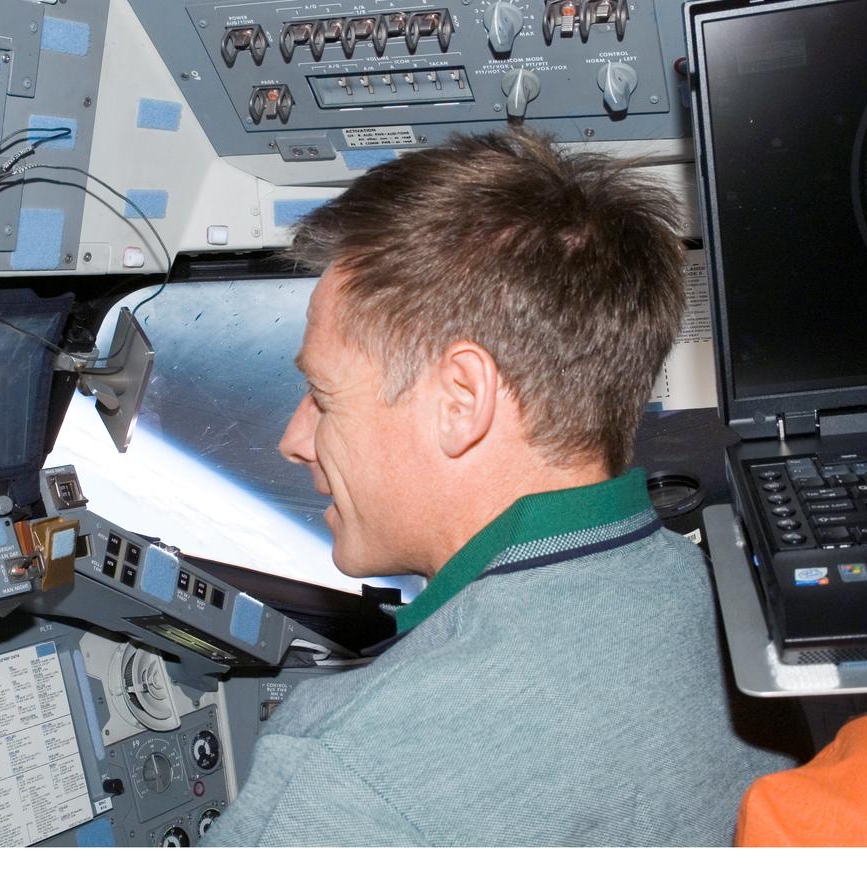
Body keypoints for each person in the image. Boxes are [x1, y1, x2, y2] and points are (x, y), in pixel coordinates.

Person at [202, 128, 789, 847]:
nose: (293, 440)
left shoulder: (354, 773)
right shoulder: (757, 617)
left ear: (461, 400)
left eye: (322, 395)